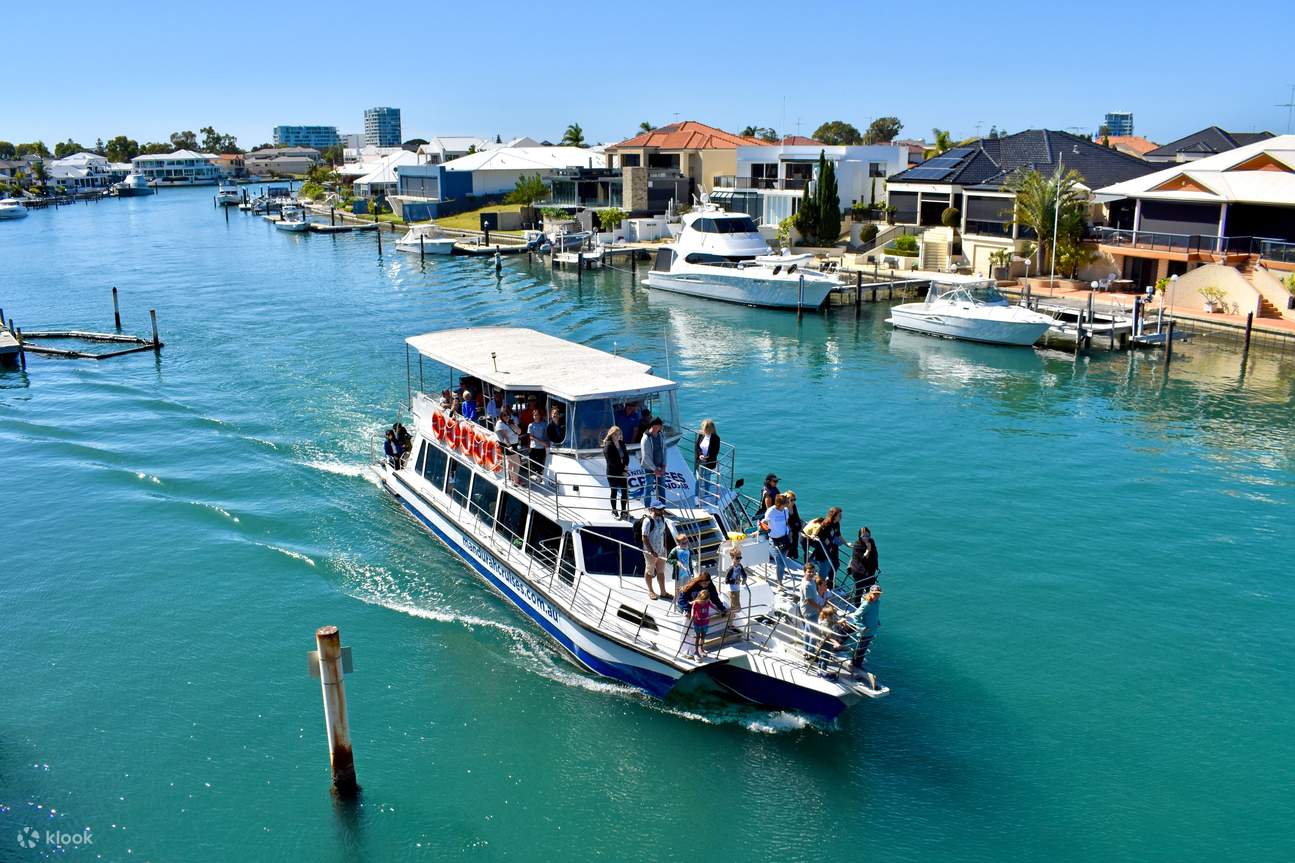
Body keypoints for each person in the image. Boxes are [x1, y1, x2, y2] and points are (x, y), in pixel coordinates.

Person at [843, 584, 883, 687]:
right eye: (875, 594)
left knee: (864, 649)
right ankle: (854, 664)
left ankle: (858, 665)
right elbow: (856, 616)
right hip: (865, 631)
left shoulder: (877, 602)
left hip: (872, 630)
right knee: (860, 648)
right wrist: (862, 627)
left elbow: (875, 613)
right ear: (870, 593)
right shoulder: (867, 604)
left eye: (878, 594)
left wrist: (877, 621)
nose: (877, 596)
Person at [639, 501, 669, 600]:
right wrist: (651, 551)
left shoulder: (662, 518)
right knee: (649, 571)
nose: (662, 511)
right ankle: (650, 591)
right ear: (653, 509)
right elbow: (644, 537)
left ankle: (663, 592)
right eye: (659, 509)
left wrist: (665, 547)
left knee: (661, 571)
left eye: (662, 509)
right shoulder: (648, 521)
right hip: (650, 551)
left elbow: (663, 533)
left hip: (661, 550)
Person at [762, 493, 792, 583]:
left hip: (784, 538)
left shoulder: (785, 510)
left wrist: (789, 534)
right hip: (774, 540)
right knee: (780, 562)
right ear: (780, 503)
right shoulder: (771, 512)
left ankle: (781, 572)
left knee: (783, 559)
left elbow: (786, 522)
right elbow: (764, 523)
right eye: (786, 502)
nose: (788, 503)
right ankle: (780, 583)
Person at [847, 527, 879, 605]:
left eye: (868, 535)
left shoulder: (871, 541)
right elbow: (862, 559)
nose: (866, 538)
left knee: (870, 589)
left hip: (869, 570)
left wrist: (876, 565)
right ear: (860, 536)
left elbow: (874, 554)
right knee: (859, 590)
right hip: (859, 571)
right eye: (864, 536)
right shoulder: (857, 545)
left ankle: (867, 605)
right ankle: (857, 606)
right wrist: (868, 549)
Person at [603, 425, 629, 518]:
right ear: (611, 435)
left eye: (619, 434)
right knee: (614, 491)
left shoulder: (621, 443)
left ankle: (623, 510)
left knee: (625, 491)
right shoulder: (608, 446)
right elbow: (611, 462)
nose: (617, 436)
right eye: (615, 434)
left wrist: (625, 468)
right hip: (612, 472)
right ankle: (614, 510)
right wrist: (622, 467)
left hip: (622, 471)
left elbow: (626, 457)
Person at [639, 417, 667, 505]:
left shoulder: (661, 435)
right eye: (660, 425)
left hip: (660, 466)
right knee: (648, 487)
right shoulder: (645, 439)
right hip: (649, 468)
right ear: (654, 426)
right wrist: (655, 469)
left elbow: (664, 450)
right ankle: (647, 507)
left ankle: (662, 507)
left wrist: (664, 465)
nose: (661, 427)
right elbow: (646, 457)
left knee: (661, 487)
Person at [799, 564, 825, 652]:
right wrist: (820, 608)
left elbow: (816, 579)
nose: (811, 573)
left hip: (810, 610)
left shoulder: (811, 580)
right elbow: (809, 601)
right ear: (804, 572)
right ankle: (810, 651)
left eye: (813, 572)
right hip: (809, 611)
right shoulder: (806, 585)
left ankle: (806, 649)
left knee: (807, 630)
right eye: (809, 572)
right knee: (815, 633)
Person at [693, 419, 721, 500]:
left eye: (705, 428)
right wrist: (700, 455)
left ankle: (706, 493)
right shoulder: (701, 435)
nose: (704, 430)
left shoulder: (716, 438)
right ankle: (696, 496)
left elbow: (716, 451)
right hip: (700, 461)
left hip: (709, 461)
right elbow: (697, 447)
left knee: (707, 478)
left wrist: (708, 456)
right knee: (699, 479)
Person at [495, 406, 522, 486]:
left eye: (507, 415)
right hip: (508, 446)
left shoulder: (510, 422)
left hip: (514, 444)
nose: (506, 416)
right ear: (501, 416)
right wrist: (509, 446)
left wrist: (512, 424)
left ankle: (513, 479)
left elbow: (519, 432)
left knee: (511, 463)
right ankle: (516, 480)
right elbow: (504, 437)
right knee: (517, 463)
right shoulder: (500, 424)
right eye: (504, 415)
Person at [723, 545, 748, 628]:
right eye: (737, 558)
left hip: (737, 589)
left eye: (740, 557)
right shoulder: (731, 568)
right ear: (732, 558)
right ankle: (725, 612)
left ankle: (730, 624)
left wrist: (744, 579)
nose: (739, 559)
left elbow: (744, 574)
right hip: (732, 589)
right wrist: (735, 581)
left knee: (734, 608)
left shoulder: (739, 566)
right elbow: (726, 581)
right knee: (736, 608)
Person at [687, 590, 713, 660]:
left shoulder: (708, 602)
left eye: (706, 600)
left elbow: (713, 606)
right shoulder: (695, 603)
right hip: (698, 623)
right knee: (698, 637)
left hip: (705, 622)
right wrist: (692, 616)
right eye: (703, 601)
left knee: (703, 637)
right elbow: (693, 610)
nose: (704, 602)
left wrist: (720, 610)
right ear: (700, 598)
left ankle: (701, 649)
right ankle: (696, 651)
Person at [526, 410, 549, 482]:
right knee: (533, 461)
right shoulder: (531, 425)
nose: (536, 416)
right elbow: (531, 437)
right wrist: (540, 442)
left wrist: (545, 443)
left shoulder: (544, 424)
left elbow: (546, 434)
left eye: (537, 415)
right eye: (534, 415)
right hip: (533, 446)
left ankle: (539, 476)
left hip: (542, 447)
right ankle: (538, 474)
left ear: (540, 416)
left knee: (540, 462)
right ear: (533, 416)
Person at [785, 490, 803, 561]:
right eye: (791, 500)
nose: (793, 502)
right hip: (788, 530)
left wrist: (800, 526)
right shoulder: (784, 508)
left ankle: (792, 558)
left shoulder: (794, 506)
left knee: (794, 544)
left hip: (795, 529)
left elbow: (797, 516)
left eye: (794, 499)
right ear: (787, 499)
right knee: (788, 544)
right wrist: (789, 529)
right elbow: (784, 521)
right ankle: (786, 559)